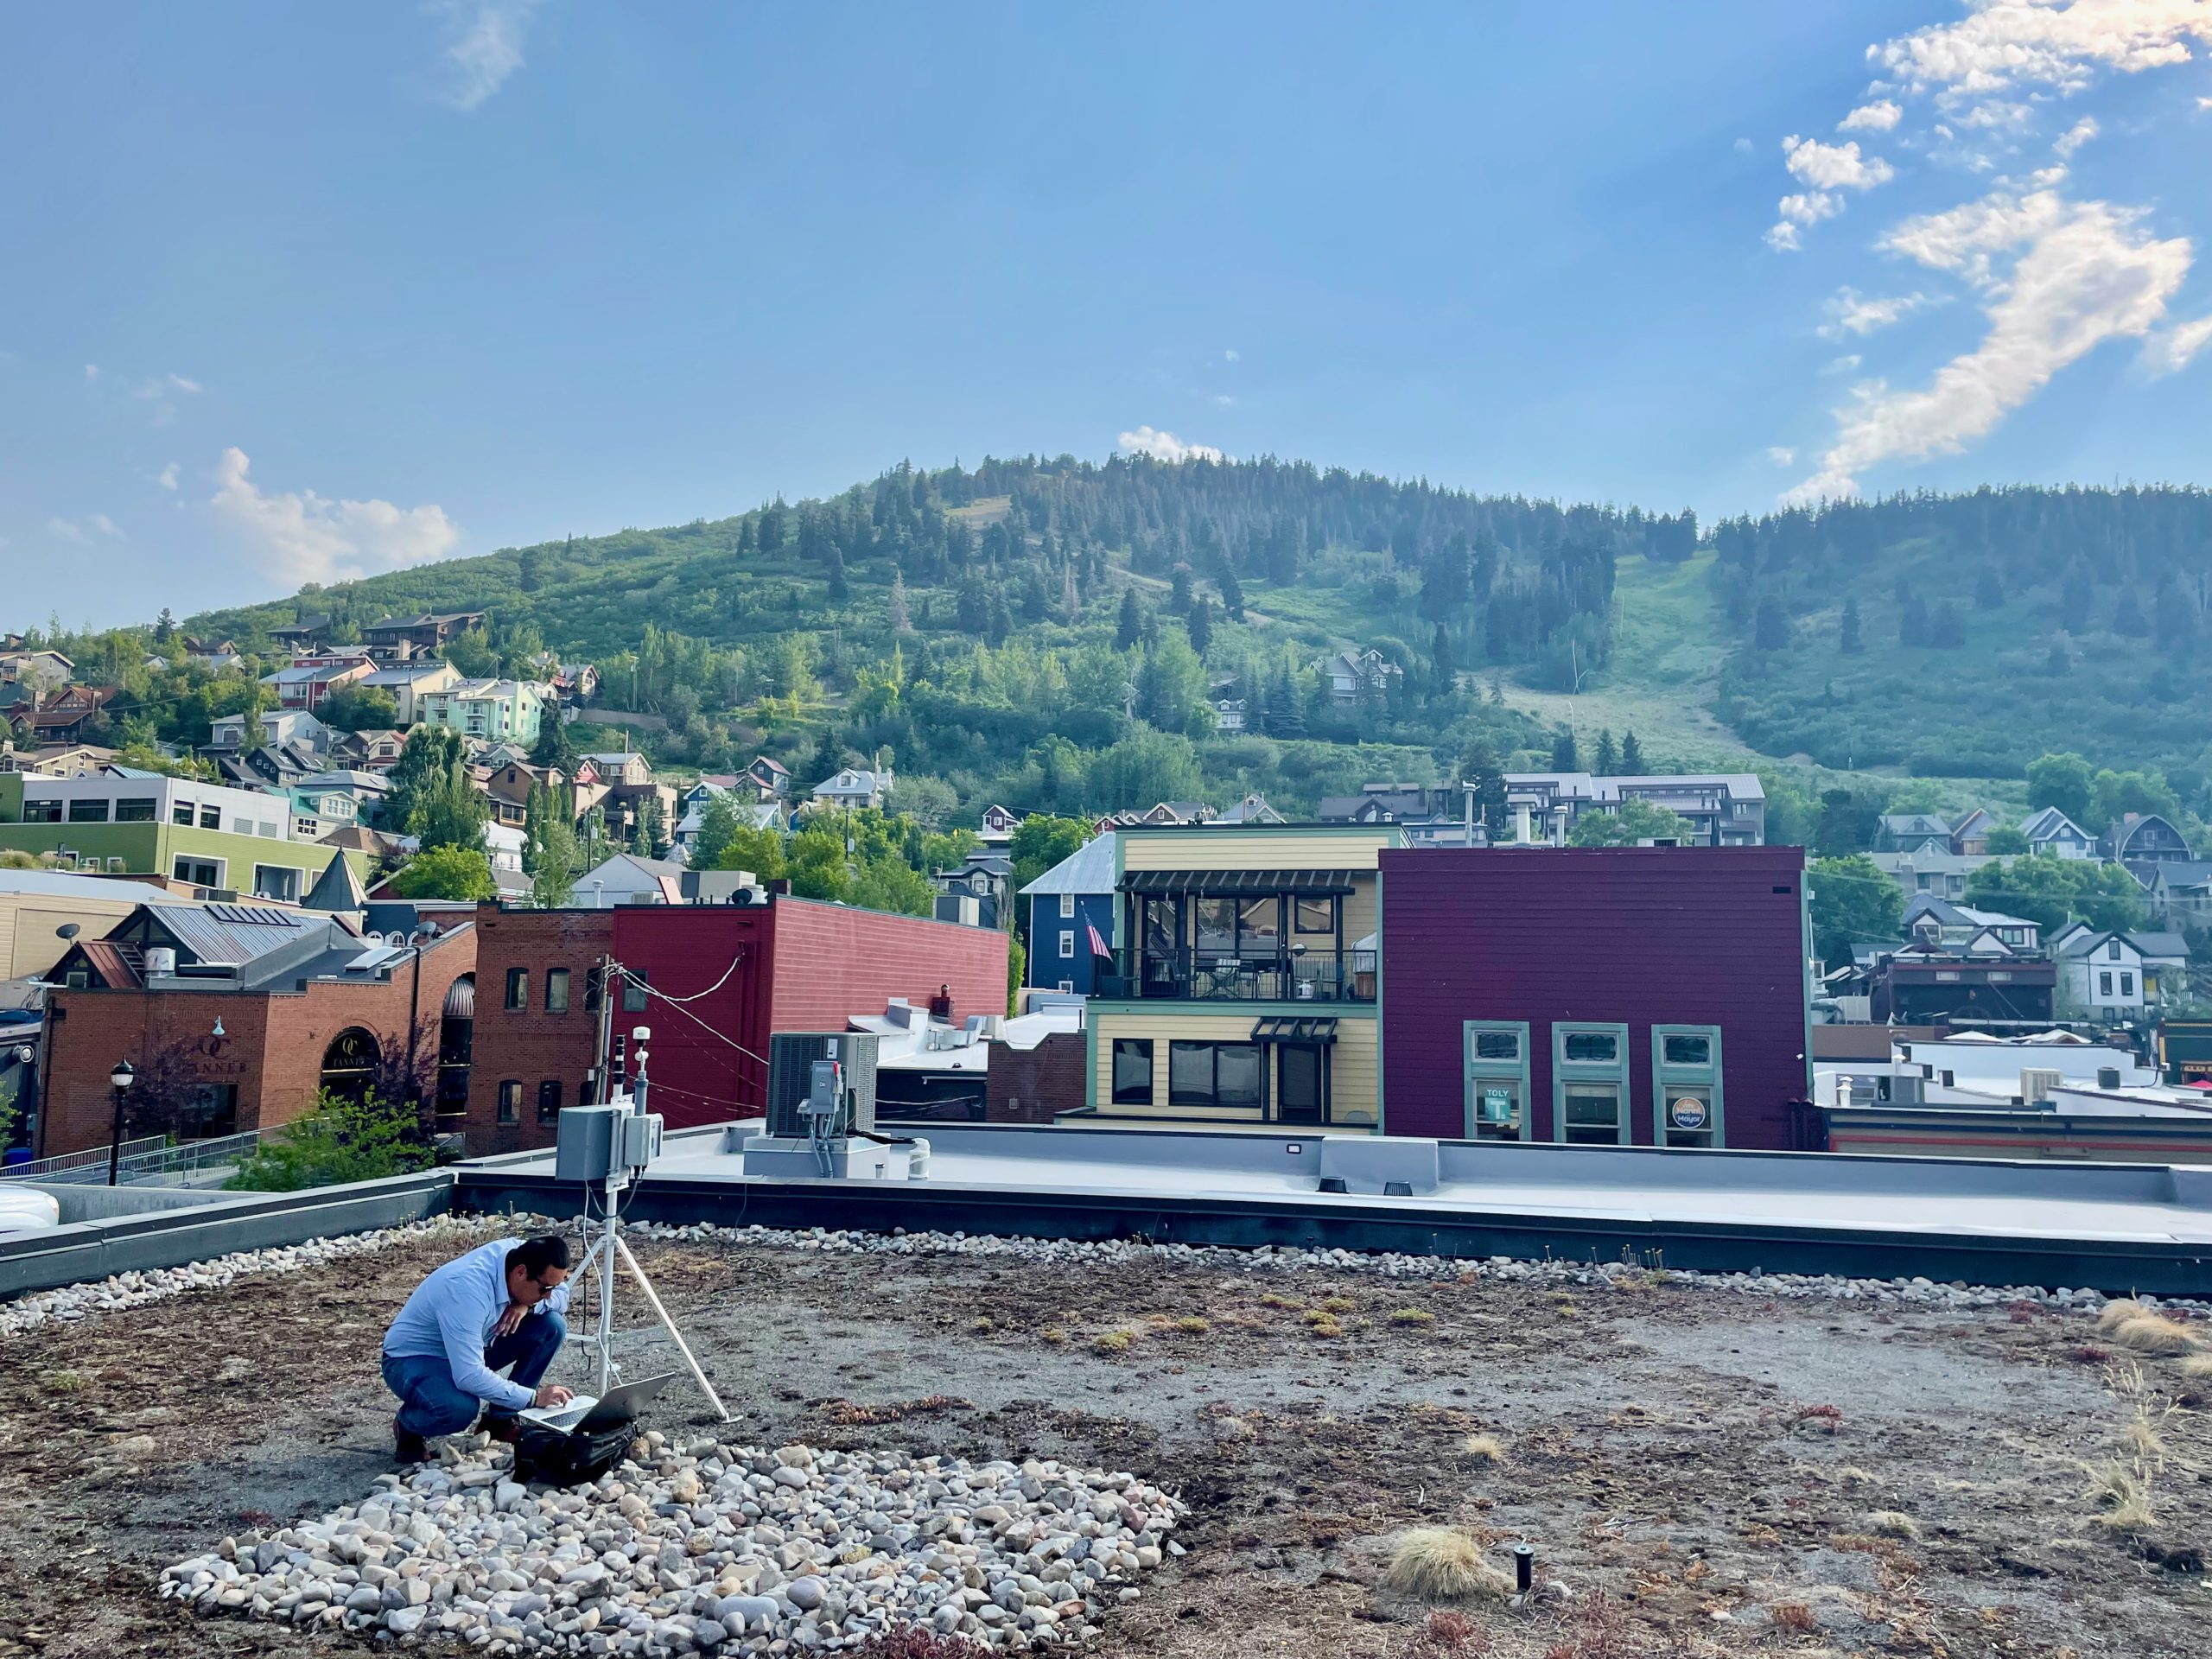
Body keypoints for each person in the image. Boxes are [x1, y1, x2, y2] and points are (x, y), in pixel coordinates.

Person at [381, 1233, 575, 1464]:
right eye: (544, 1289)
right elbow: (469, 1376)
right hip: (413, 1359)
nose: (549, 1296)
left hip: (475, 1343)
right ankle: (408, 1425)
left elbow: (563, 1297)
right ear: (521, 1273)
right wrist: (533, 1399)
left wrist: (526, 1305)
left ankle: (500, 1420)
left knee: (551, 1326)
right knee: (459, 1409)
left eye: (553, 1287)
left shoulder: (521, 1253)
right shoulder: (466, 1290)